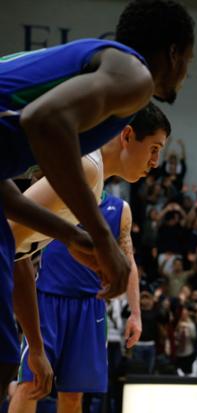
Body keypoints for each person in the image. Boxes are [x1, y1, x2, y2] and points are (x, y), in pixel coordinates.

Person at [0, 0, 194, 399]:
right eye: (188, 60)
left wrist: (71, 236)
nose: (186, 74)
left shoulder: (101, 72)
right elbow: (44, 119)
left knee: (3, 363)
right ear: (173, 54)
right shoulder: (133, 76)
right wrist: (101, 236)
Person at [8, 103, 171, 412]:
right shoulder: (88, 167)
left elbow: (18, 251)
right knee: (19, 380)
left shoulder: (95, 186)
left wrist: (36, 346)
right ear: (127, 135)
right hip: (46, 293)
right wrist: (75, 240)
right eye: (153, 149)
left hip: (57, 293)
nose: (155, 162)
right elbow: (7, 228)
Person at [9, 192, 137, 413]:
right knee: (30, 384)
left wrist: (136, 313)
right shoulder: (54, 193)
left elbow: (129, 263)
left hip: (90, 307)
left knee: (73, 394)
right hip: (47, 301)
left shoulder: (120, 209)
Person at [0, 181, 96, 401]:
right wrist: (72, 236)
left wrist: (35, 346)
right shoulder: (87, 170)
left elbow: (18, 256)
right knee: (17, 374)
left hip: (78, 304)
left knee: (8, 360)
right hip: (50, 298)